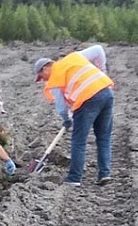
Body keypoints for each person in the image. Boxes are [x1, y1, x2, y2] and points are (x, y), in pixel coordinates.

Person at [33, 45, 114, 186]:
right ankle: (104, 173)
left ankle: (74, 178)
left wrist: (66, 120)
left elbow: (61, 107)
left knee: (78, 140)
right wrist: (102, 72)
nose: (43, 80)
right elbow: (98, 50)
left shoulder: (55, 77)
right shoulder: (74, 57)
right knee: (103, 137)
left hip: (88, 99)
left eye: (41, 77)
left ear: (46, 68)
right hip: (106, 93)